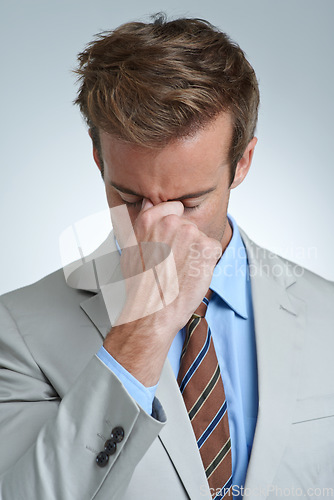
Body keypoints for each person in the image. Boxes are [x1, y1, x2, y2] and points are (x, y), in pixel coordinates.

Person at [0, 14, 333, 500]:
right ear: (99, 159)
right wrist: (140, 331)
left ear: (242, 163)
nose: (158, 228)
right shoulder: (17, 331)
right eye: (130, 198)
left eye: (190, 201)